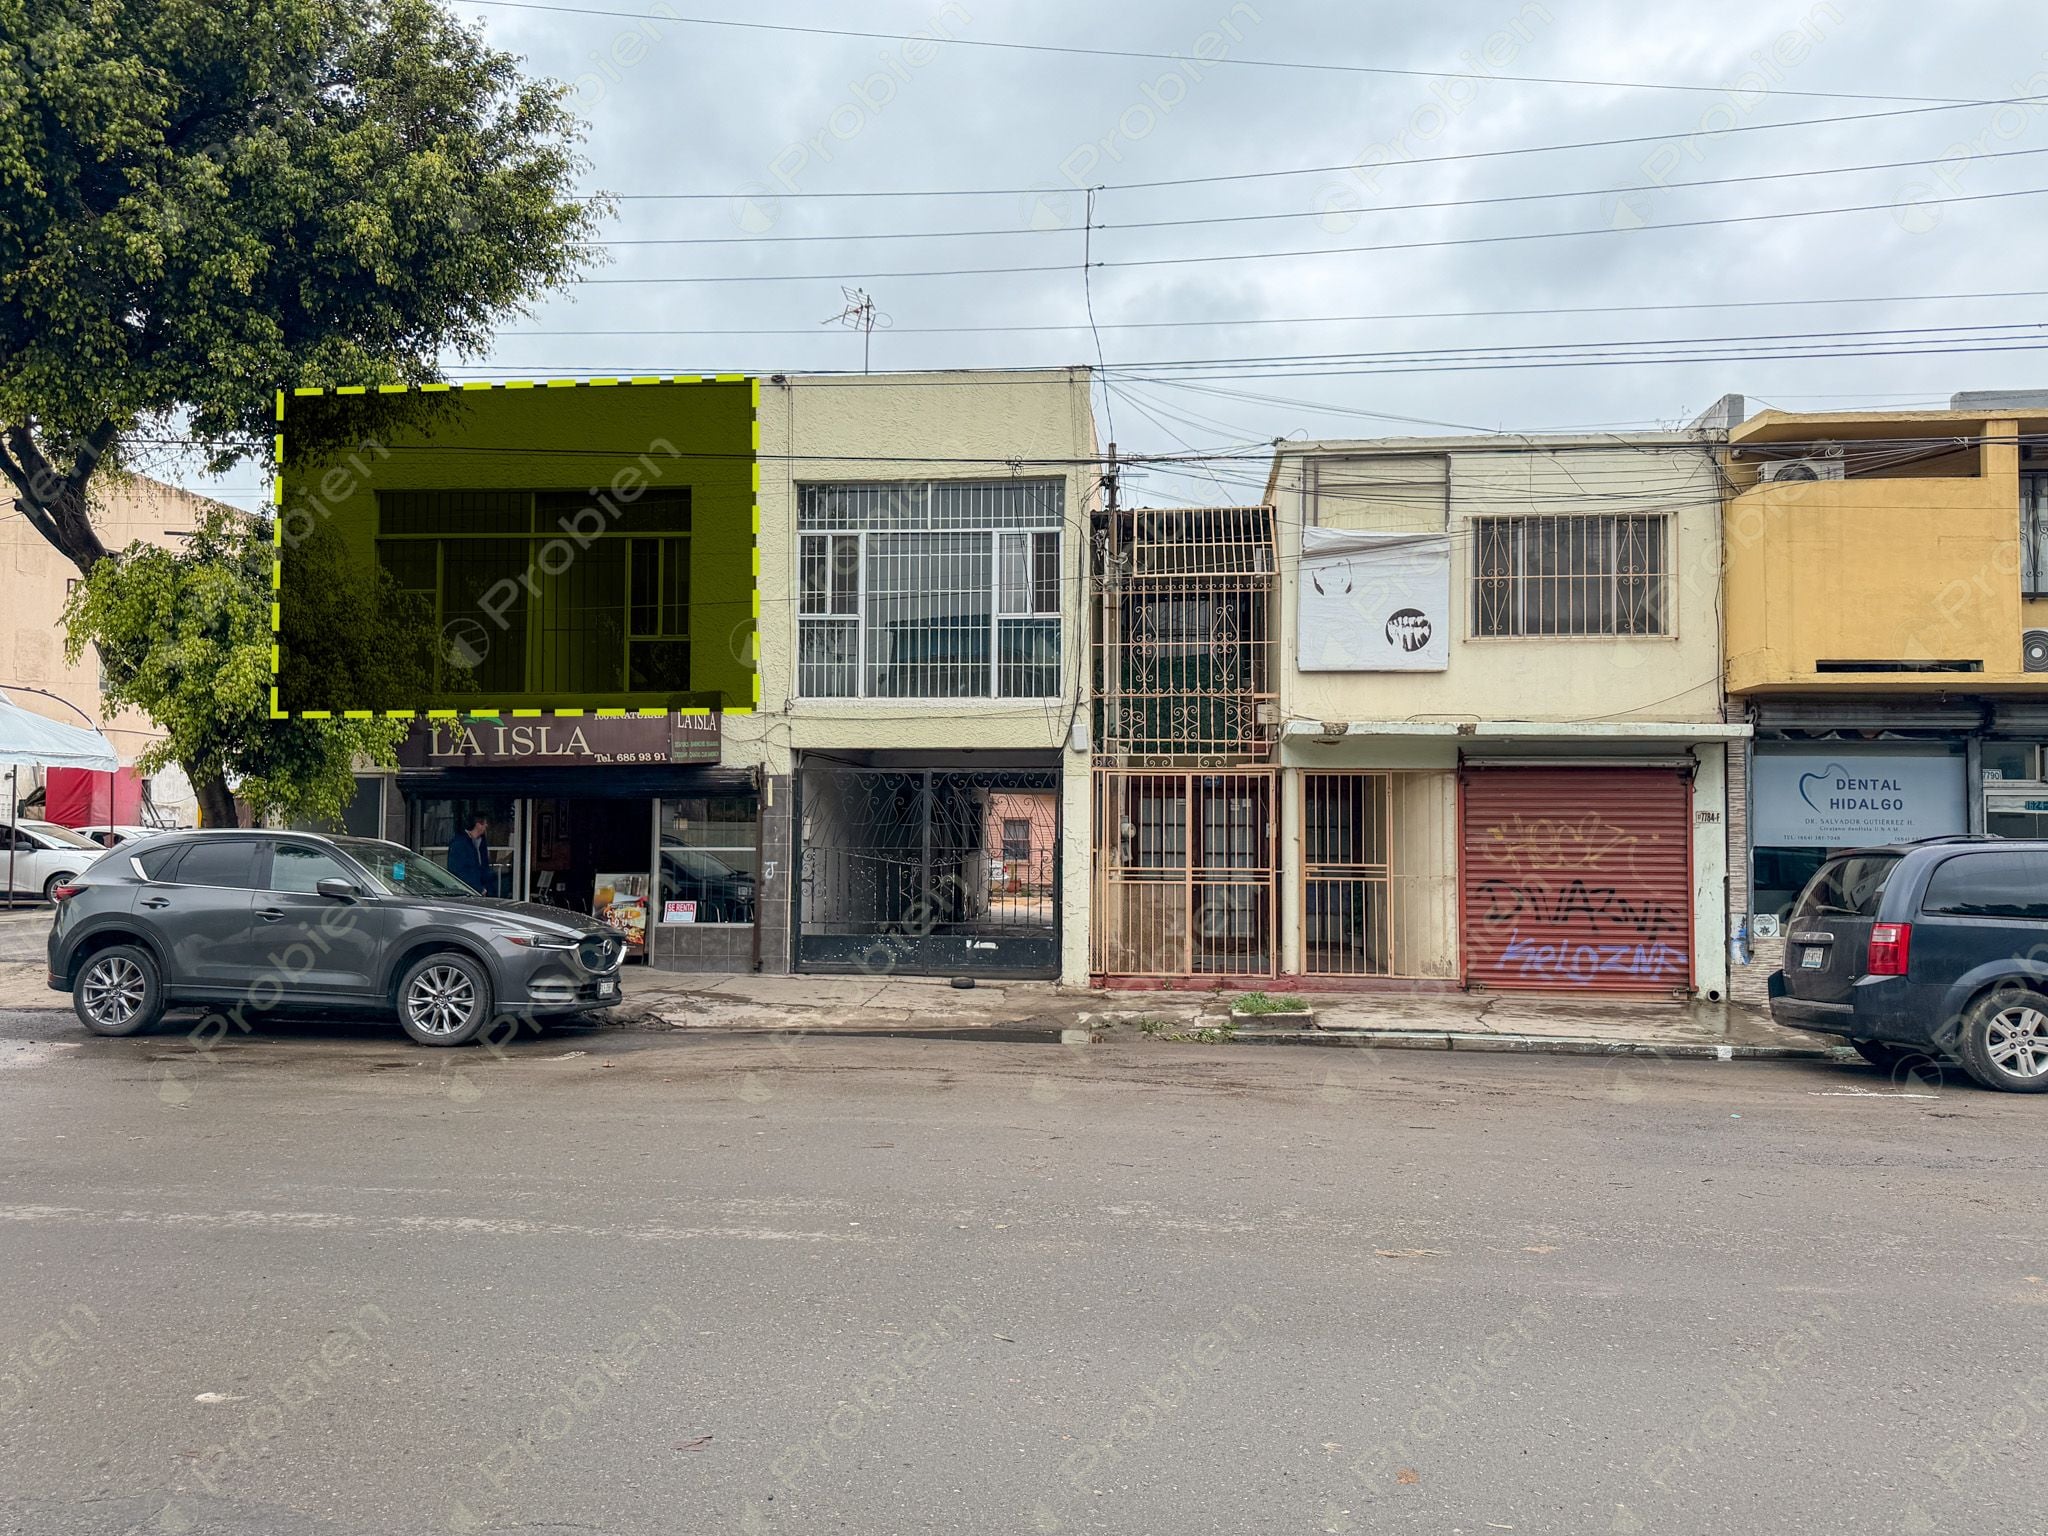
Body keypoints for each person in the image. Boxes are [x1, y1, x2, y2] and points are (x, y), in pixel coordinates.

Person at [446, 812, 495, 895]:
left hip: (483, 889)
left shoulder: (481, 842)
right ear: (478, 824)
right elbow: (458, 870)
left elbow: (483, 867)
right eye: (485, 823)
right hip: (467, 890)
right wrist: (477, 888)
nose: (486, 826)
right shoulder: (459, 843)